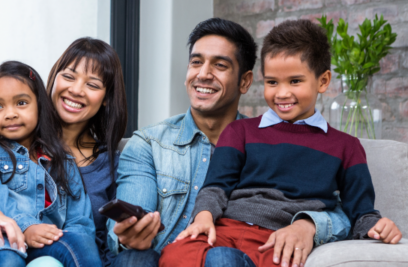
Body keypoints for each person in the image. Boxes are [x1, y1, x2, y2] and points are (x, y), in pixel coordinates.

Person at [108, 18, 352, 267]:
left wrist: (308, 224)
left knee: (222, 259)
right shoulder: (148, 144)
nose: (203, 74)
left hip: (234, 258)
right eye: (196, 62)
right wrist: (130, 234)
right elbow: (129, 216)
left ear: (245, 81)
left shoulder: (271, 144)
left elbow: (340, 208)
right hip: (166, 259)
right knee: (132, 259)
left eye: (220, 65)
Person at [159, 19, 403, 267]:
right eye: (272, 82)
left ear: (323, 81)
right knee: (174, 255)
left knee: (235, 261)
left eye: (295, 81)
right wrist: (203, 217)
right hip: (225, 229)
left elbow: (360, 212)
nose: (282, 93)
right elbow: (216, 187)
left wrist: (378, 227)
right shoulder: (239, 131)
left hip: (277, 239)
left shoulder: (346, 147)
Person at [0, 38, 127, 267]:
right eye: (69, 76)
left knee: (76, 244)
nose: (76, 90)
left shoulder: (85, 161)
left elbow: (85, 226)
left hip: (52, 252)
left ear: (106, 98)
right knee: (8, 257)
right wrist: (20, 224)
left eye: (92, 84)